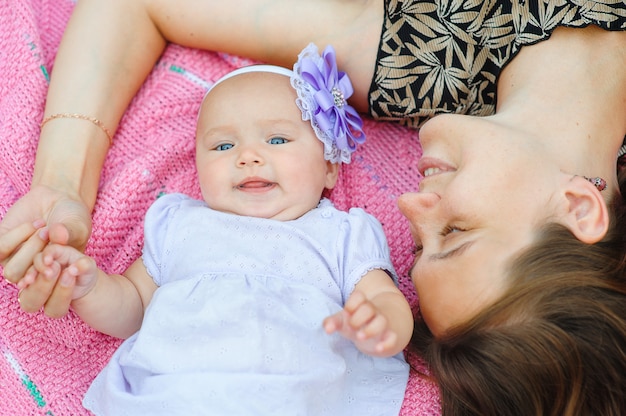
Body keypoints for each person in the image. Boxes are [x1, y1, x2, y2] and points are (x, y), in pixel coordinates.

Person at [1, 0, 625, 414]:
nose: (412, 203)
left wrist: (61, 186)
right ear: (578, 206)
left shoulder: (420, 59)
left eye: (421, 246)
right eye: (455, 230)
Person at [22, 44, 413, 415]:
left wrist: (381, 323)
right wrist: (88, 286)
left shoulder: (342, 233)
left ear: (329, 166)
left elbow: (382, 295)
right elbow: (134, 308)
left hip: (296, 397)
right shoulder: (179, 225)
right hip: (177, 397)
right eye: (223, 146)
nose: (248, 156)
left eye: (277, 139)